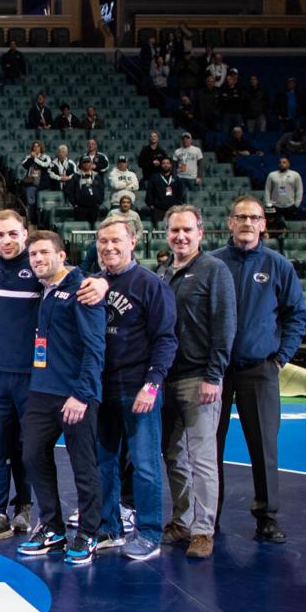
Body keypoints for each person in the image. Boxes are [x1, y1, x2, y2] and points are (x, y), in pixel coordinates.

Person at [212, 196, 306, 543]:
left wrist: (281, 356)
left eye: (254, 217)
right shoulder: (213, 263)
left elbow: (297, 315)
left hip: (260, 369)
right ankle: (209, 515)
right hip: (216, 372)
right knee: (210, 447)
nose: (248, 223)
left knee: (264, 446)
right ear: (230, 222)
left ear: (264, 224)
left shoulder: (278, 265)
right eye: (241, 217)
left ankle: (266, 516)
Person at [16, 230, 106, 566]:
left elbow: (95, 347)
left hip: (75, 395)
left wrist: (81, 394)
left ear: (61, 255)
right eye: (33, 255)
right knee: (32, 455)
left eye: (43, 253)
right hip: (42, 391)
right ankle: (52, 527)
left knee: (84, 465)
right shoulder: (46, 290)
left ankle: (89, 531)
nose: (38, 260)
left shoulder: (83, 289)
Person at [92, 219, 178, 560]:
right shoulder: (93, 282)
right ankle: (109, 528)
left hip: (138, 389)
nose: (109, 247)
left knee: (144, 465)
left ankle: (150, 532)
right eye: (103, 241)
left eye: (116, 240)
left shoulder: (150, 284)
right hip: (101, 389)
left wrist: (153, 384)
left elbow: (166, 339)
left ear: (133, 243)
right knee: (104, 463)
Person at [161, 206, 237, 559]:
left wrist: (214, 374)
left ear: (200, 233)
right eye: (175, 230)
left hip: (199, 378)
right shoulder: (164, 272)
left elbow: (225, 326)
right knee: (174, 455)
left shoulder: (214, 270)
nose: (181, 236)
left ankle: (203, 530)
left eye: (187, 230)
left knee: (203, 457)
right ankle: (182, 520)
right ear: (166, 234)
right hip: (167, 379)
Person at [145, 156, 186, 227]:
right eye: (163, 163)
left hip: (173, 209)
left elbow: (181, 193)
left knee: (173, 228)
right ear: (161, 165)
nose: (165, 165)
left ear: (170, 165)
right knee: (159, 230)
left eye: (167, 163)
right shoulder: (154, 178)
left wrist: (178, 204)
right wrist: (151, 205)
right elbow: (149, 192)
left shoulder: (176, 178)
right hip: (158, 209)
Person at [265, 156, 303, 220]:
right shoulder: (271, 175)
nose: (281, 164)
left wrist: (297, 204)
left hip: (290, 205)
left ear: (288, 164)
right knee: (276, 227)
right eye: (280, 162)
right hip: (275, 205)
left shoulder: (295, 175)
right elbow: (267, 190)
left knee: (290, 227)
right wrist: (268, 204)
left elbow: (299, 190)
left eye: (284, 162)